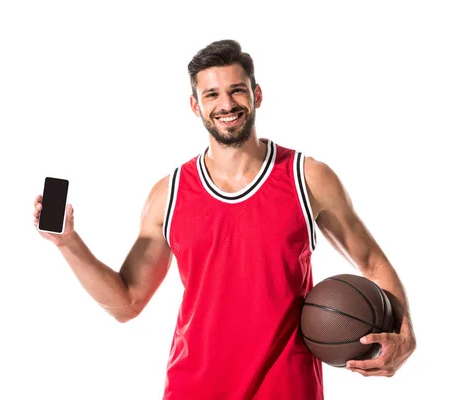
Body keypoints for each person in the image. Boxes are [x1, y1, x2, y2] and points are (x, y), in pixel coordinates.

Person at [32, 39, 416, 399]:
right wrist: (69, 243)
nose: (226, 104)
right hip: (194, 389)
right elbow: (127, 303)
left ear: (257, 95)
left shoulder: (307, 177)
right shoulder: (169, 194)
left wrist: (405, 332)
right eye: (211, 94)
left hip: (286, 388)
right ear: (195, 105)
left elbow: (372, 263)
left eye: (237, 90)